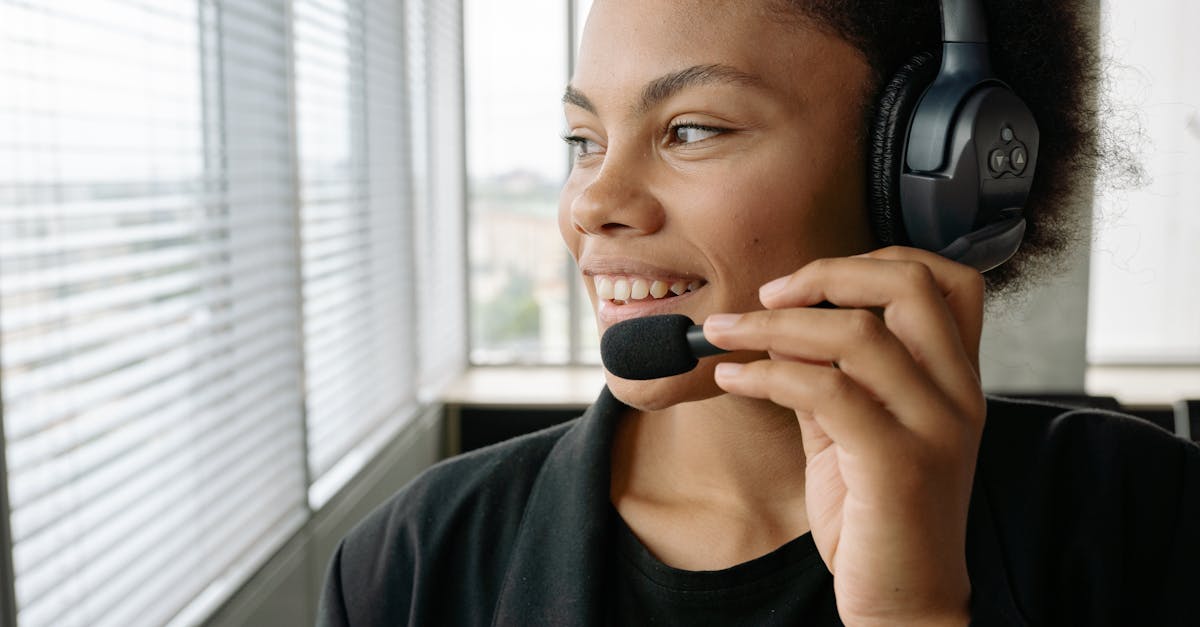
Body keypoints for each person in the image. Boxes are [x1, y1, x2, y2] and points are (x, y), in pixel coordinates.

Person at [318, 1, 1200, 625]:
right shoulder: (408, 566)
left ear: (931, 178)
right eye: (583, 141)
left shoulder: (1147, 520)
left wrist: (915, 612)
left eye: (691, 129)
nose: (593, 203)